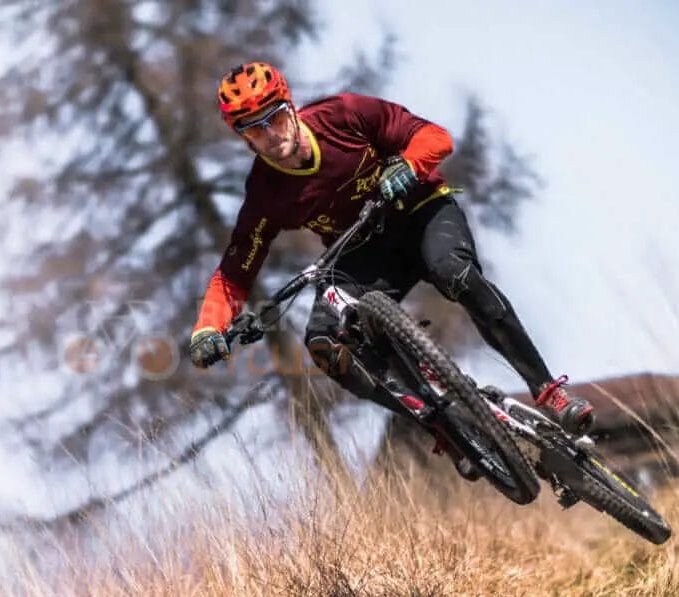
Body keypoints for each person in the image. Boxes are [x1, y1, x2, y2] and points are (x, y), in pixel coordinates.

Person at [189, 61, 595, 466]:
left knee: (455, 275)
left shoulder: (345, 114)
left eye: (275, 118)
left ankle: (549, 393)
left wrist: (409, 164)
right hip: (361, 251)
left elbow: (434, 136)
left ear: (290, 108)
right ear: (244, 139)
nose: (270, 134)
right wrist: (209, 327)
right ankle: (442, 426)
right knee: (324, 344)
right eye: (255, 129)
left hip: (421, 213)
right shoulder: (265, 193)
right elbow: (235, 269)